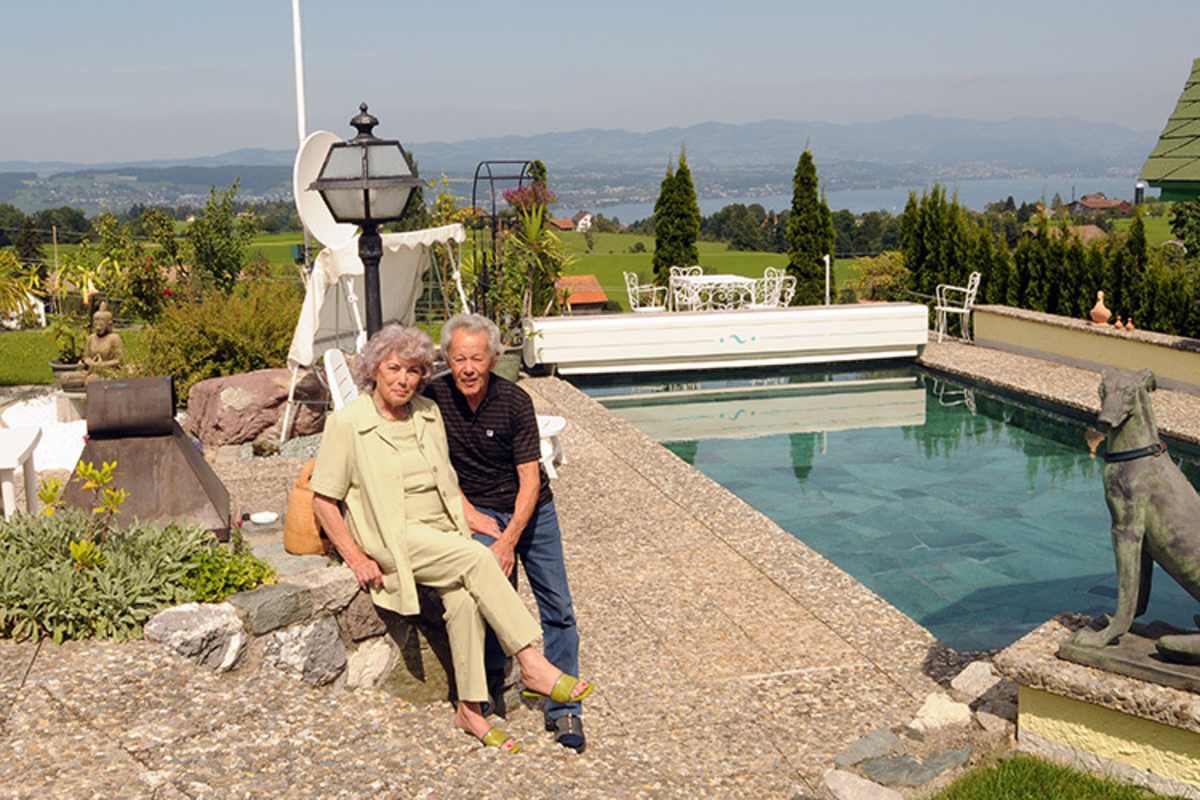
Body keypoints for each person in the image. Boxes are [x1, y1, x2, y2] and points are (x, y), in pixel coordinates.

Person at [310, 324, 593, 754]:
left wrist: (476, 519)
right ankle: (533, 662)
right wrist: (354, 556)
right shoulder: (349, 423)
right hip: (395, 536)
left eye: (412, 371)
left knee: (464, 601)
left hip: (445, 529)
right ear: (374, 370)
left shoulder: (427, 412)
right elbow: (323, 500)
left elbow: (447, 480)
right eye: (394, 369)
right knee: (478, 561)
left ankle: (470, 709)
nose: (403, 379)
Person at [424, 313, 587, 752]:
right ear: (447, 359)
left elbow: (530, 481)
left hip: (530, 512)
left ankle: (564, 709)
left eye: (477, 357)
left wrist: (509, 539)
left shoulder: (514, 401)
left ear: (493, 358)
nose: (468, 368)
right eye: (459, 358)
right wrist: (472, 516)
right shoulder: (434, 397)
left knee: (557, 604)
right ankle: (493, 687)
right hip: (477, 514)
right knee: (494, 602)